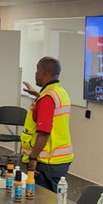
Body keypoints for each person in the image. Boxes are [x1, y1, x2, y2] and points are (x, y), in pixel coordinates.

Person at [21, 56, 73, 192]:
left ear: (44, 73)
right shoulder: (60, 92)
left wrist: (33, 158)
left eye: (37, 70)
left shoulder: (47, 98)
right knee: (51, 203)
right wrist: (39, 96)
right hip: (59, 159)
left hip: (47, 161)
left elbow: (44, 133)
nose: (35, 74)